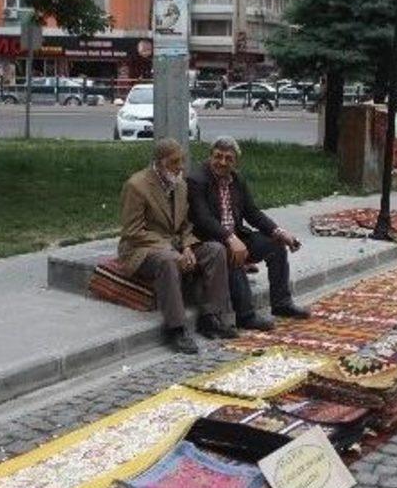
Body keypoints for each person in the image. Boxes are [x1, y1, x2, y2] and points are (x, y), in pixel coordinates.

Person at [117, 138, 236, 354]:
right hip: (142, 249)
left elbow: (184, 225)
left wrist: (188, 246)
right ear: (159, 163)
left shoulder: (180, 184)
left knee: (216, 250)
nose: (180, 167)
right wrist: (171, 250)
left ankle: (211, 316)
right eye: (174, 162)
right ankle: (176, 329)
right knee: (168, 261)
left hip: (176, 244)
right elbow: (132, 232)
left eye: (182, 161)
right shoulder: (136, 186)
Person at [188, 136, 310, 332]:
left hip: (236, 236)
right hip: (210, 241)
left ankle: (281, 303)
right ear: (210, 156)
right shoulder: (197, 180)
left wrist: (279, 232)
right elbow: (203, 219)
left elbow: (252, 213)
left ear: (236, 161)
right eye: (218, 156)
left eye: (228, 158)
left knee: (276, 245)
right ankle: (245, 316)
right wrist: (230, 238)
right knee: (234, 254)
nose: (222, 162)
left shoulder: (236, 179)